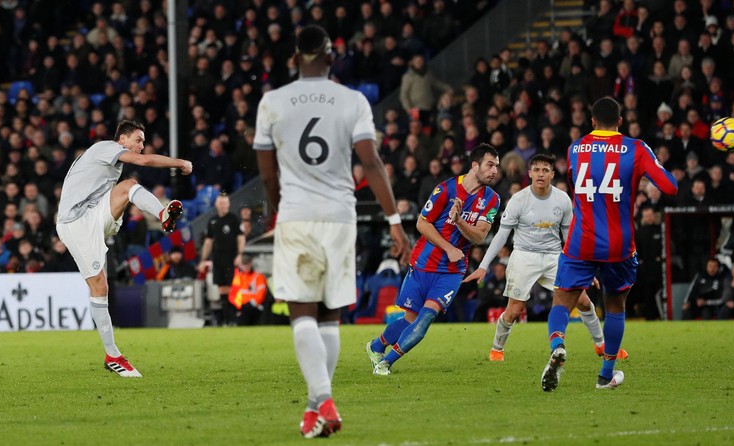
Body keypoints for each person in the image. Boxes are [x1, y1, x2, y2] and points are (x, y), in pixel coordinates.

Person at [254, 25, 411, 439]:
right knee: (330, 317)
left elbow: (267, 175)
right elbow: (371, 162)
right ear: (330, 57)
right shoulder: (353, 100)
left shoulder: (272, 102)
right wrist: (395, 221)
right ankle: (314, 408)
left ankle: (322, 400)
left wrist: (282, 210)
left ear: (294, 58)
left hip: (297, 215)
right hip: (341, 216)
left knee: (302, 313)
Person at [540, 97, 677, 392]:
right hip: (619, 244)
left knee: (562, 299)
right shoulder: (636, 148)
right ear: (620, 121)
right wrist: (645, 167)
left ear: (592, 122)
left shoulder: (575, 148)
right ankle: (605, 375)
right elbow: (670, 187)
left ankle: (557, 345)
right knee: (615, 306)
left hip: (581, 240)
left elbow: (576, 189)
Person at [56, 120, 192, 378]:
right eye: (138, 140)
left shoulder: (111, 162)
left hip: (94, 215)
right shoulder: (106, 148)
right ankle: (112, 355)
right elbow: (145, 161)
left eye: (143, 142)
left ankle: (163, 215)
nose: (141, 146)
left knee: (129, 186)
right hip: (76, 223)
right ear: (122, 140)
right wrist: (180, 163)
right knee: (100, 287)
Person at [463, 153, 628, 362]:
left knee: (583, 301)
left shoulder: (562, 199)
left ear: (552, 174)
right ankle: (497, 349)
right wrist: (484, 265)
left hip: (554, 256)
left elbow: (569, 238)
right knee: (515, 310)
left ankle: (602, 345)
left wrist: (583, 267)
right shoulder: (519, 200)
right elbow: (501, 236)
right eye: (536, 170)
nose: (540, 174)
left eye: (545, 170)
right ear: (530, 173)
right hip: (524, 256)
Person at [366, 144, 501, 375]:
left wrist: (458, 221)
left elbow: (479, 237)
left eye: (496, 166)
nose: (494, 171)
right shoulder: (446, 189)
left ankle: (385, 363)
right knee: (409, 320)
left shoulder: (492, 199)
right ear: (475, 165)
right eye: (490, 165)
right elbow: (422, 223)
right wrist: (448, 247)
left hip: (452, 271)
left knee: (425, 320)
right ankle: (376, 346)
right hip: (422, 264)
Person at [198, 193, 245, 326]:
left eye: (225, 203)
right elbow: (208, 242)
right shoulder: (212, 221)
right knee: (221, 289)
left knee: (231, 288)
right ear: (216, 204)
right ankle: (225, 320)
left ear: (229, 204)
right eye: (221, 203)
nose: (223, 205)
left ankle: (232, 319)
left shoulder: (234, 219)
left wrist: (240, 254)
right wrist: (203, 259)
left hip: (231, 257)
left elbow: (241, 237)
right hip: (218, 258)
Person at [228, 254, 268, 326]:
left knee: (246, 313)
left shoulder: (258, 277)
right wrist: (238, 306)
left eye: (247, 264)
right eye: (243, 265)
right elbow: (233, 293)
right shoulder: (238, 277)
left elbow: (261, 294)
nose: (245, 267)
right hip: (241, 306)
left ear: (251, 263)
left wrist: (250, 303)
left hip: (254, 307)